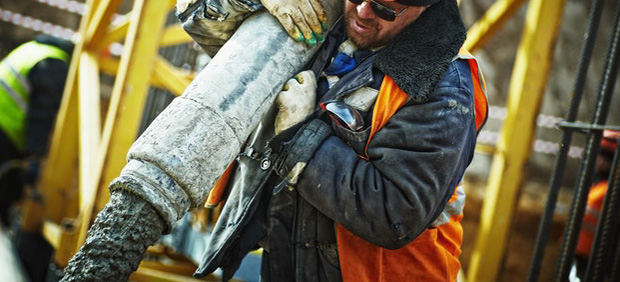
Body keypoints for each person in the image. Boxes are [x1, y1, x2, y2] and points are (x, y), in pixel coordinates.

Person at [59, 0, 487, 281]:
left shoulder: (446, 87)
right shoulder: (332, 18)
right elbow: (198, 16)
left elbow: (394, 212)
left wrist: (299, 134)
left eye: (383, 8)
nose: (360, 9)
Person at [0, 34, 73, 227]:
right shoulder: (54, 63)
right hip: (5, 130)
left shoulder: (31, 48)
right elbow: (41, 115)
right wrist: (35, 156)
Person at [571, 130, 619, 280]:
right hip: (580, 253)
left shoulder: (609, 189)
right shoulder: (595, 183)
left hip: (600, 259)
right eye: (599, 155)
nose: (599, 161)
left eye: (606, 157)